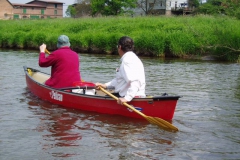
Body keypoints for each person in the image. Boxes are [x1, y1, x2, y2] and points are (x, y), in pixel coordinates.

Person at [95, 36, 146, 105]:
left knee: (101, 101)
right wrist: (105, 85)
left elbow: (135, 82)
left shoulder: (127, 61)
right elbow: (119, 80)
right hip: (132, 95)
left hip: (131, 97)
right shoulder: (133, 58)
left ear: (120, 47)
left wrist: (127, 98)